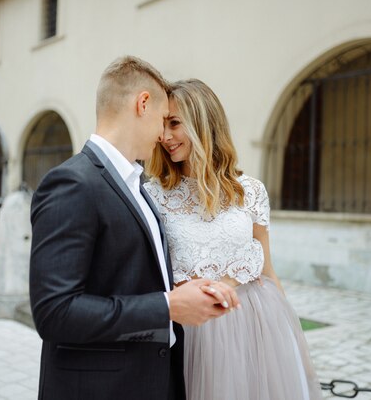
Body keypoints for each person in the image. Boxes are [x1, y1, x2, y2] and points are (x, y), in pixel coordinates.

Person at [29, 57, 240, 400]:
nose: (163, 135)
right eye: (162, 120)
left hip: (152, 381)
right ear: (142, 104)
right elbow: (55, 312)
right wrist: (167, 306)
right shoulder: (72, 183)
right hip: (100, 389)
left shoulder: (136, 184)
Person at [144, 79, 324, 400]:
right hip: (191, 333)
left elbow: (267, 269)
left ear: (203, 123)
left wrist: (294, 343)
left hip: (256, 325)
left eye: (175, 123)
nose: (165, 136)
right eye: (162, 125)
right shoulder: (153, 195)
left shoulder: (250, 191)